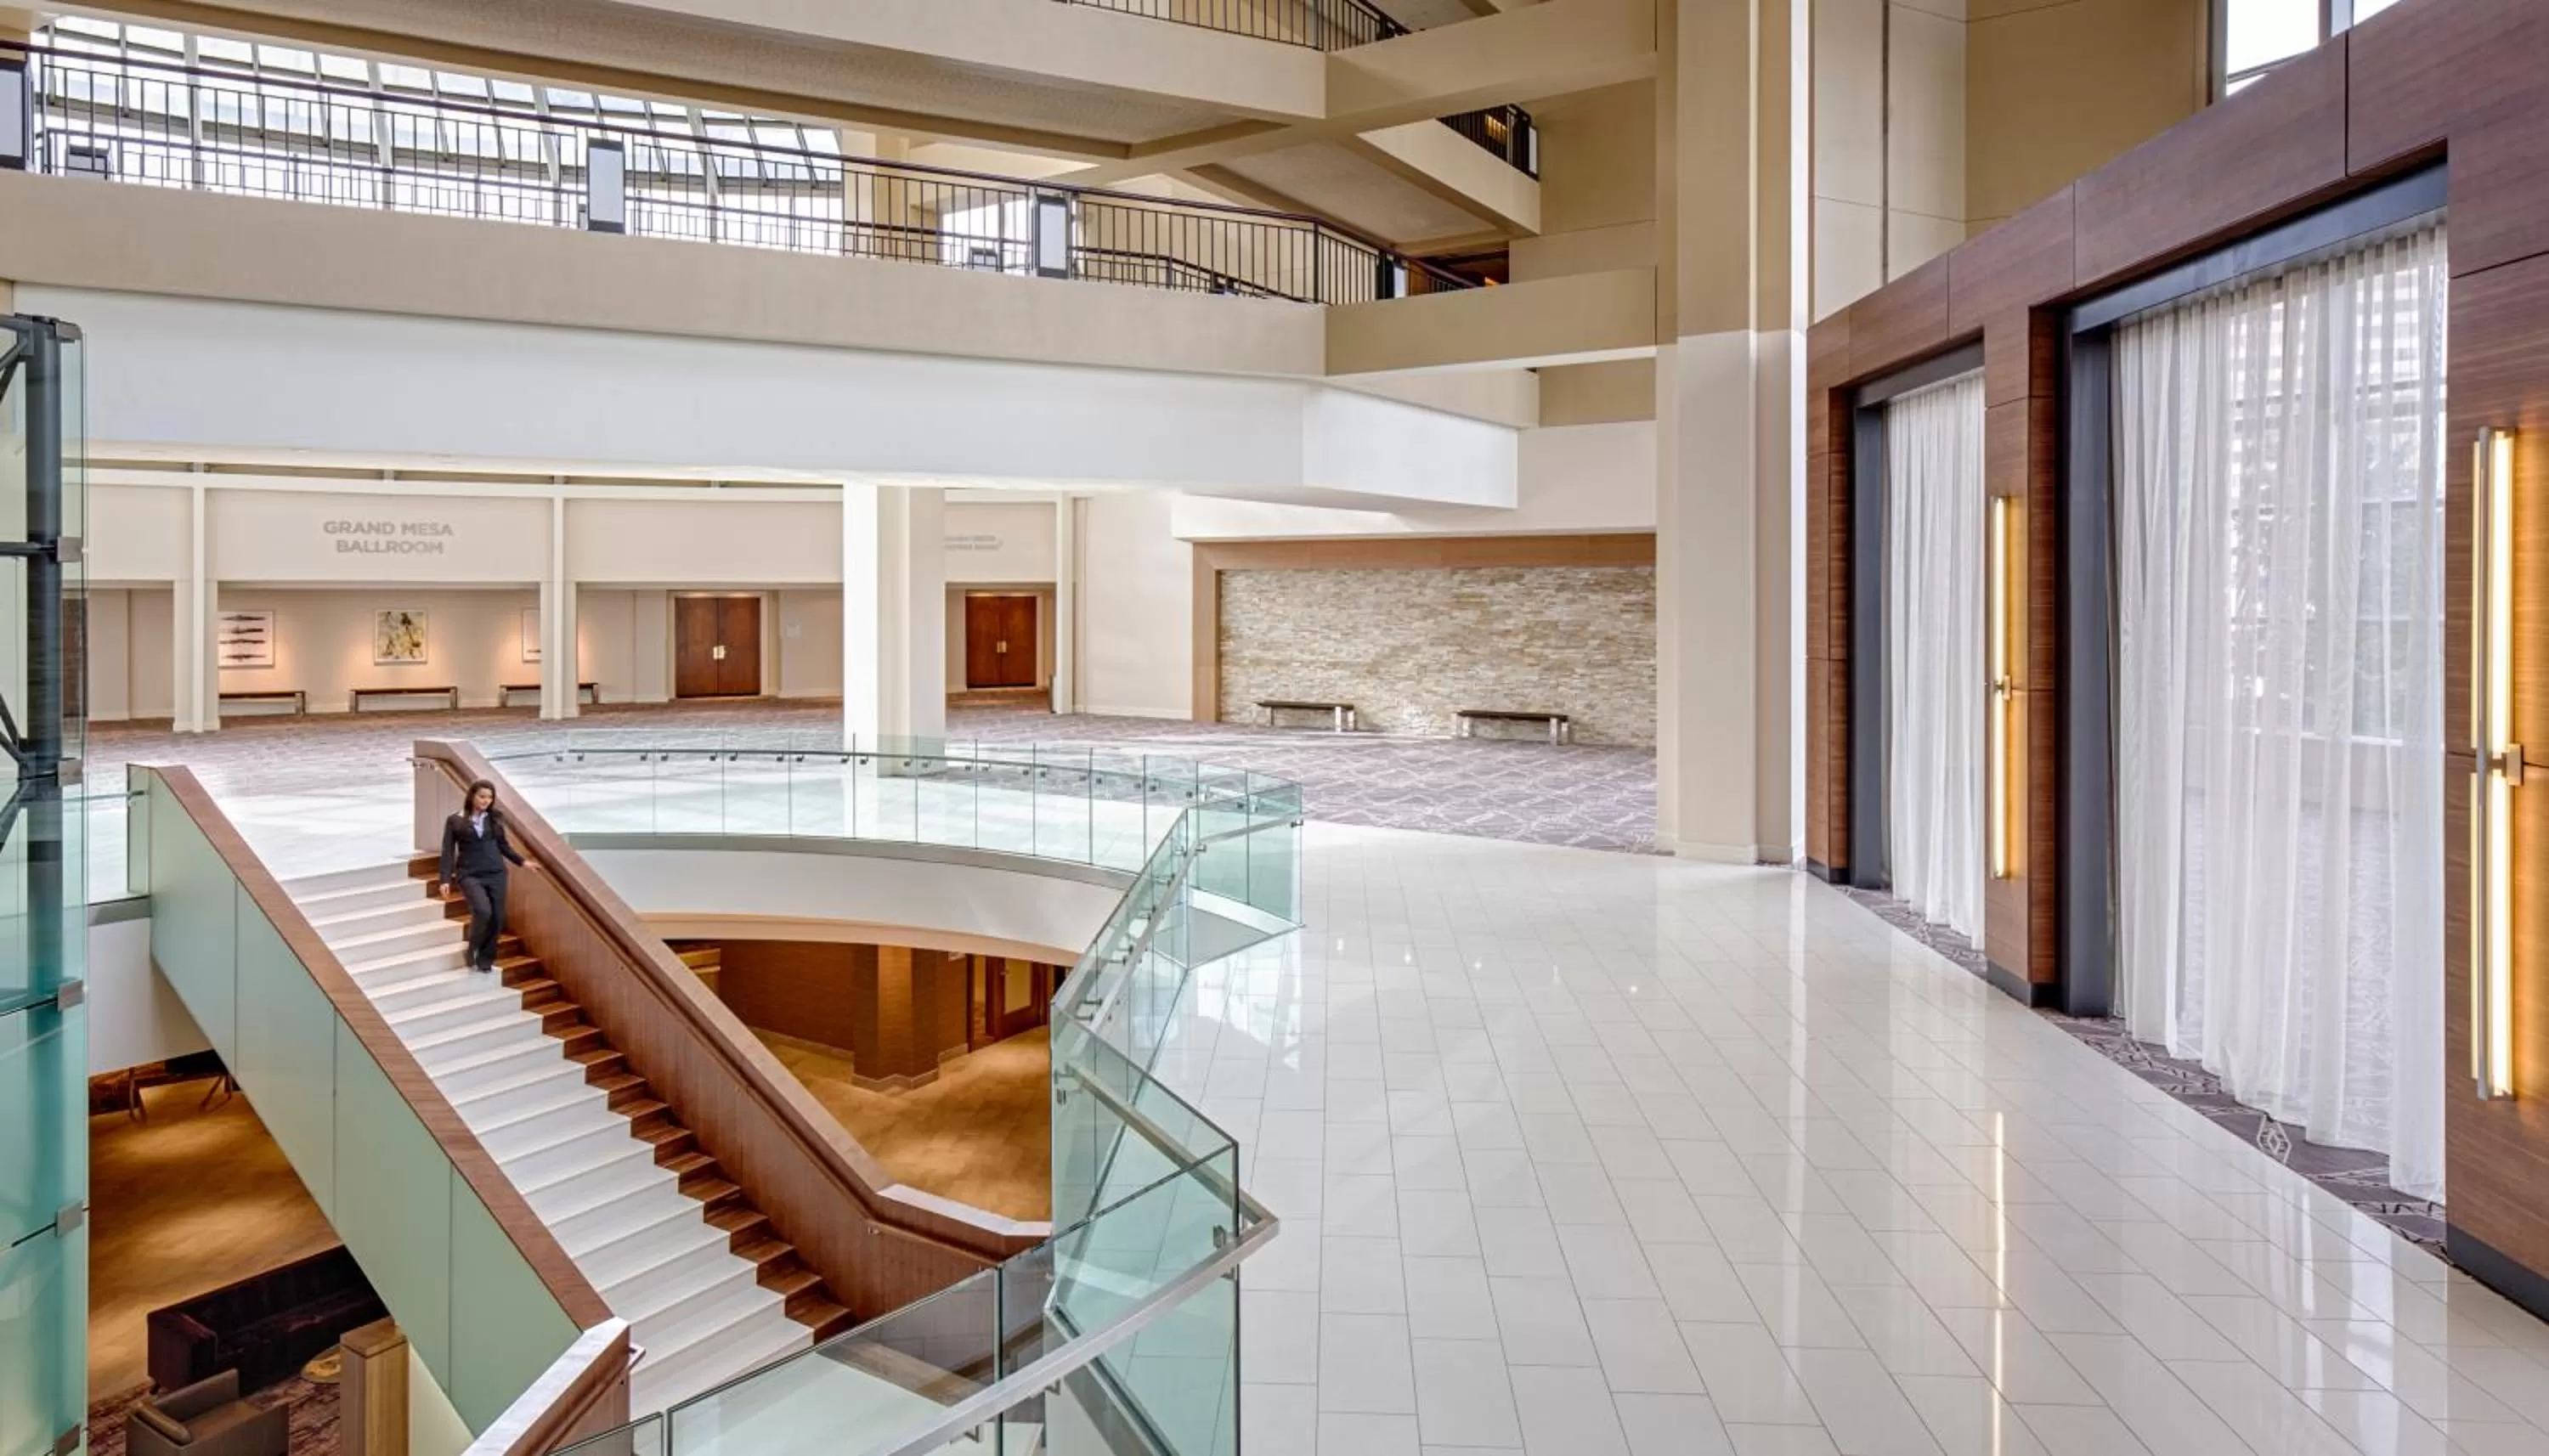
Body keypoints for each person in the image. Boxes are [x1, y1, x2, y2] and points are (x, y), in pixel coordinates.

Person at [438, 778, 528, 973]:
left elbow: (503, 846)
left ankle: (485, 960)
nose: (486, 801)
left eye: (490, 797)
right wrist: (445, 879)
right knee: (482, 910)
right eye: (482, 796)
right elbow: (447, 852)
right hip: (469, 874)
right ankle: (473, 948)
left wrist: (522, 861)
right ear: (472, 796)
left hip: (496, 873)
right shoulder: (455, 820)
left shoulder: (495, 817)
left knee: (497, 918)